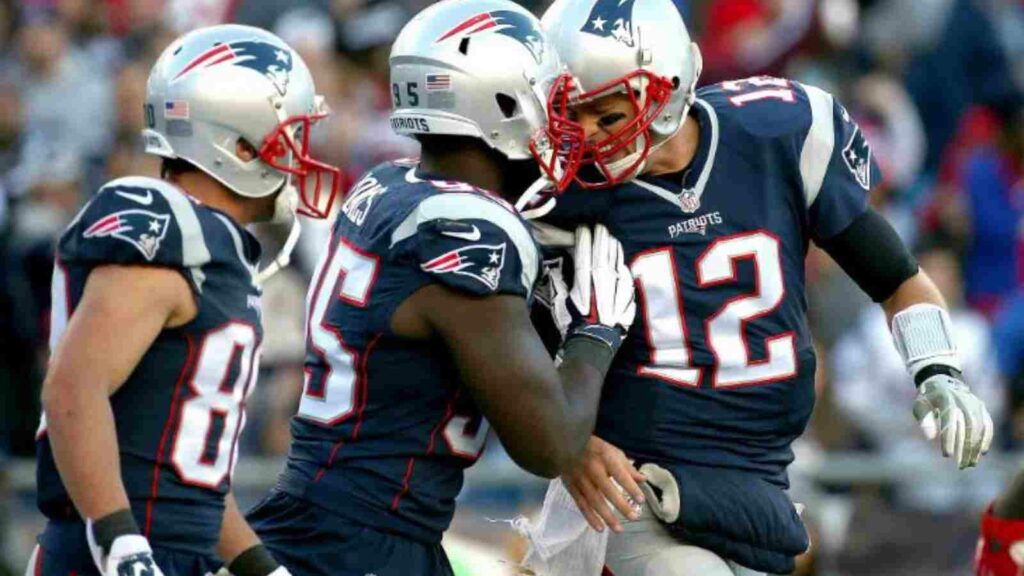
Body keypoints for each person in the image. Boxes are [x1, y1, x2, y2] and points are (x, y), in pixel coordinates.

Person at [526, 0, 996, 574]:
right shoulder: (561, 198)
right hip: (632, 482)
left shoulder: (778, 132)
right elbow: (519, 358)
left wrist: (938, 370)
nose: (590, 137)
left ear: (666, 84)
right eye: (576, 116)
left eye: (608, 113)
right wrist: (570, 442)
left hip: (761, 478)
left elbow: (898, 279)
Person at [241, 1, 637, 575]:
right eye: (548, 99)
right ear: (502, 103)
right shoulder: (467, 230)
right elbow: (549, 444)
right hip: (365, 548)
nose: (561, 119)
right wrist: (594, 335)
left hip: (322, 519)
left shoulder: (387, 186)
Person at [30, 24, 342, 576]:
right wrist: (118, 540)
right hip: (115, 550)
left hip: (163, 547)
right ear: (239, 144)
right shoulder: (167, 222)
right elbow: (73, 387)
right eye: (288, 135)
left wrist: (260, 568)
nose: (298, 156)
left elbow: (182, 482)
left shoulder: (214, 245)